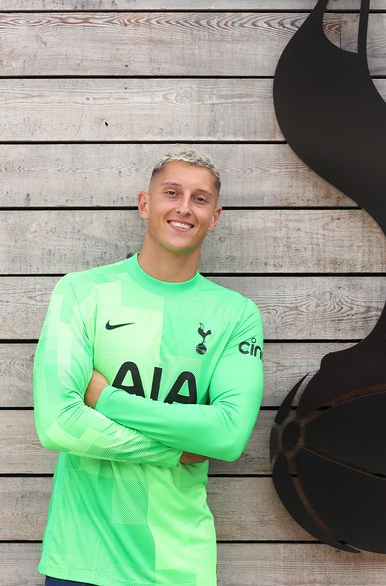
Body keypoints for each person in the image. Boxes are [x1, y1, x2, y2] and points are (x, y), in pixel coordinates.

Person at [33, 148, 264, 586]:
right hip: (83, 559)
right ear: (145, 204)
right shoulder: (83, 293)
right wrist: (176, 450)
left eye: (200, 199)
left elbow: (228, 436)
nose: (183, 208)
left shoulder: (236, 315)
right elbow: (58, 424)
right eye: (171, 193)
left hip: (178, 566)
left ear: (214, 217)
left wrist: (105, 398)